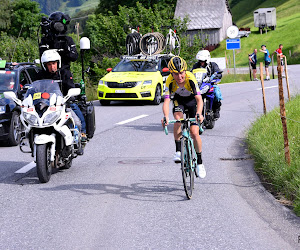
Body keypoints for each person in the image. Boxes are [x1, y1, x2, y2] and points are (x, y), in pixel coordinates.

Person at [161, 56, 206, 178]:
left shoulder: (190, 78)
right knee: (177, 120)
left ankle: (200, 163)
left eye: (181, 73)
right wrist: (165, 116)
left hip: (192, 102)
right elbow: (166, 101)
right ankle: (178, 151)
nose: (179, 77)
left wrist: (199, 114)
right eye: (176, 74)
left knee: (194, 132)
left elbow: (199, 99)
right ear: (171, 73)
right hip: (179, 101)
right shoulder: (169, 81)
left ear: (185, 71)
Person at [37, 50, 87, 146]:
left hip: (64, 102)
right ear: (44, 65)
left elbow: (70, 87)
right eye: (49, 64)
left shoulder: (64, 73)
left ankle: (82, 133)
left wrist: (70, 96)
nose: (52, 67)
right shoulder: (40, 75)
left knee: (77, 120)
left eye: (54, 63)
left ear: (58, 63)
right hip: (46, 104)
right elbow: (35, 89)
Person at [191, 50, 222, 120]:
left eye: (203, 61)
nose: (201, 62)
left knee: (216, 93)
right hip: (200, 85)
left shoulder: (213, 65)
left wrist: (216, 77)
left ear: (207, 59)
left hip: (210, 84)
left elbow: (218, 73)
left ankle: (216, 109)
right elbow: (191, 73)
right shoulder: (196, 66)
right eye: (200, 61)